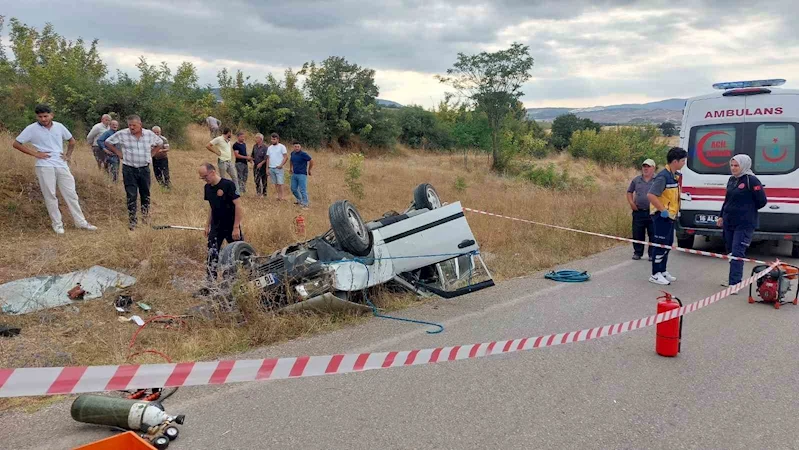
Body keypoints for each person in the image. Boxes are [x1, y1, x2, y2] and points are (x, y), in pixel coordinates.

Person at [12, 104, 97, 234]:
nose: (43, 119)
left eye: (46, 116)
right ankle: (57, 224)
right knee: (50, 195)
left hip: (61, 163)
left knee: (71, 194)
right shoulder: (31, 129)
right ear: (37, 117)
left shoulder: (59, 126)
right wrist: (35, 154)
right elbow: (16, 143)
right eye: (40, 117)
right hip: (44, 165)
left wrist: (68, 155)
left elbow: (72, 141)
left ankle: (80, 222)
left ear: (51, 115)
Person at [717, 155, 768, 290]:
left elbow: (762, 201)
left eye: (736, 166)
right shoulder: (731, 180)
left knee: (737, 252)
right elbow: (727, 200)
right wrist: (721, 216)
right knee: (730, 251)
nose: (733, 168)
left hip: (744, 224)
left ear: (744, 166)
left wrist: (747, 209)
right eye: (732, 165)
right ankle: (732, 278)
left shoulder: (752, 180)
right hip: (729, 221)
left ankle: (735, 283)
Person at [104, 115, 164, 230]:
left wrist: (152, 154)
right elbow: (107, 142)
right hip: (129, 169)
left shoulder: (149, 134)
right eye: (129, 125)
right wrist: (118, 152)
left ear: (140, 124)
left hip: (144, 168)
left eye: (134, 125)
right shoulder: (122, 134)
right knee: (131, 195)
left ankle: (145, 217)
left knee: (145, 193)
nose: (131, 127)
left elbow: (160, 143)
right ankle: (132, 220)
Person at [647, 147, 688, 285]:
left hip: (670, 216)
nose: (684, 163)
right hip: (661, 217)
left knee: (668, 244)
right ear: (675, 161)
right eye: (682, 161)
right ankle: (655, 273)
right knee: (660, 245)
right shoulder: (663, 176)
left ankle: (663, 270)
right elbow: (651, 195)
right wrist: (662, 210)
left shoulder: (673, 175)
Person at [199, 162, 244, 281]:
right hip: (216, 227)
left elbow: (238, 206)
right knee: (212, 255)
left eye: (205, 176)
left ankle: (241, 279)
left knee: (239, 254)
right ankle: (210, 283)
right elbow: (211, 207)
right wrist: (207, 225)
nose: (204, 179)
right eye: (202, 178)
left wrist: (236, 227)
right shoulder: (207, 187)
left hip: (231, 225)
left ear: (213, 172)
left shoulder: (228, 185)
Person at [626, 159, 657, 261]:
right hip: (638, 211)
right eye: (644, 166)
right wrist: (631, 203)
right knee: (637, 233)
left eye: (648, 166)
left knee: (653, 234)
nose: (645, 168)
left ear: (653, 168)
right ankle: (638, 253)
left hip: (653, 212)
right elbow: (629, 192)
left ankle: (652, 254)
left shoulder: (658, 180)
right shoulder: (636, 180)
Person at [206, 128, 240, 194]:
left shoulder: (228, 140)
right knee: (223, 178)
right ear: (228, 133)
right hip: (222, 161)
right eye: (231, 133)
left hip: (229, 161)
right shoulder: (219, 139)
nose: (231, 134)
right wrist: (216, 152)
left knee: (234, 176)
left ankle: (237, 192)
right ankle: (222, 192)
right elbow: (208, 145)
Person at [289, 140, 313, 208]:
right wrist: (291, 168)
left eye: (298, 146)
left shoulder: (303, 154)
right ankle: (299, 200)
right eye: (295, 146)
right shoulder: (292, 153)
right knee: (293, 188)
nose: (296, 148)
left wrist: (309, 170)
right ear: (293, 147)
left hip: (302, 174)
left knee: (302, 189)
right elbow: (291, 160)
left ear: (300, 147)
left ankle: (305, 203)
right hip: (294, 174)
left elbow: (311, 160)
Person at [266, 133, 288, 201]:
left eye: (274, 139)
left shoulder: (282, 147)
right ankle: (278, 196)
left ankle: (282, 197)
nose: (272, 140)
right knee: (275, 183)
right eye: (272, 139)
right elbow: (268, 158)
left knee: (280, 183)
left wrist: (281, 165)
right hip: (271, 167)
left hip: (278, 168)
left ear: (278, 139)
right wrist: (267, 168)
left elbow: (286, 157)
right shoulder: (269, 148)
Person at [252, 133, 269, 197]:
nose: (255, 139)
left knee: (264, 180)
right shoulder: (254, 146)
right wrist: (251, 160)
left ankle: (264, 193)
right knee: (256, 179)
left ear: (261, 139)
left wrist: (261, 163)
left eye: (257, 138)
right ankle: (258, 193)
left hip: (263, 166)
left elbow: (266, 158)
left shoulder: (265, 148)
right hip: (256, 165)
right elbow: (253, 155)